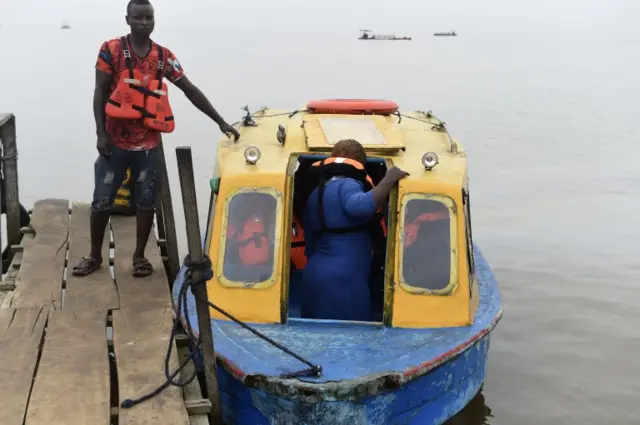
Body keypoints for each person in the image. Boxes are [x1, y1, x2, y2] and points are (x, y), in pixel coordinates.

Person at [72, 0, 240, 277]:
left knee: (147, 202)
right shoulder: (111, 49)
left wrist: (220, 121)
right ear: (127, 19)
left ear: (154, 20)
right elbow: (99, 91)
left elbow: (190, 90)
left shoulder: (163, 57)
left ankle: (139, 257)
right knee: (101, 201)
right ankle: (94, 256)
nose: (144, 23)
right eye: (138, 18)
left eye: (149, 18)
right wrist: (100, 132)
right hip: (113, 143)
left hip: (148, 147)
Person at [301, 139, 409, 321]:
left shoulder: (316, 193)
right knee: (351, 338)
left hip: (315, 273)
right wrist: (389, 178)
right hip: (344, 279)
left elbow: (310, 242)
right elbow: (361, 206)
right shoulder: (348, 184)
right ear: (360, 163)